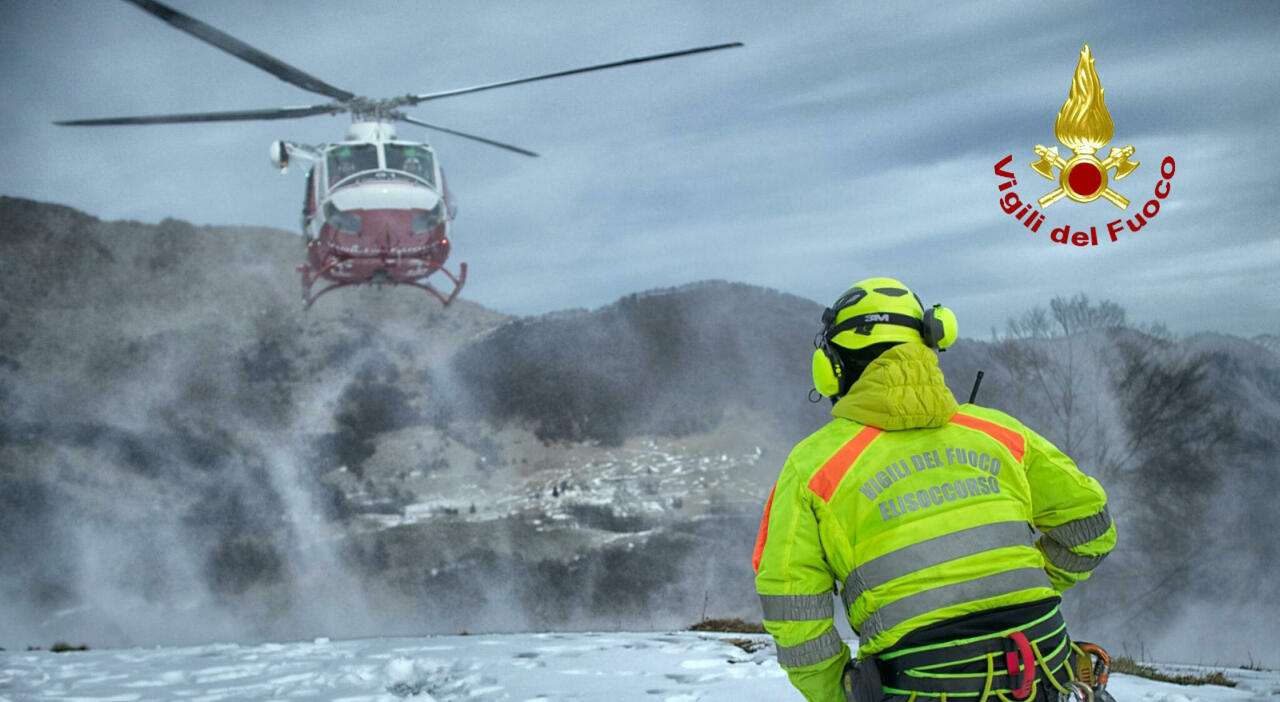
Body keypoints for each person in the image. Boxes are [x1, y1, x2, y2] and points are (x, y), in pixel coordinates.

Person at [752, 278, 1115, 702]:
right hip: (1045, 670)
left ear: (831, 368)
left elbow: (793, 610)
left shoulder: (811, 468)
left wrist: (840, 692)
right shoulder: (1000, 433)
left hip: (915, 687)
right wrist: (1034, 582)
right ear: (930, 347)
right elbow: (1092, 530)